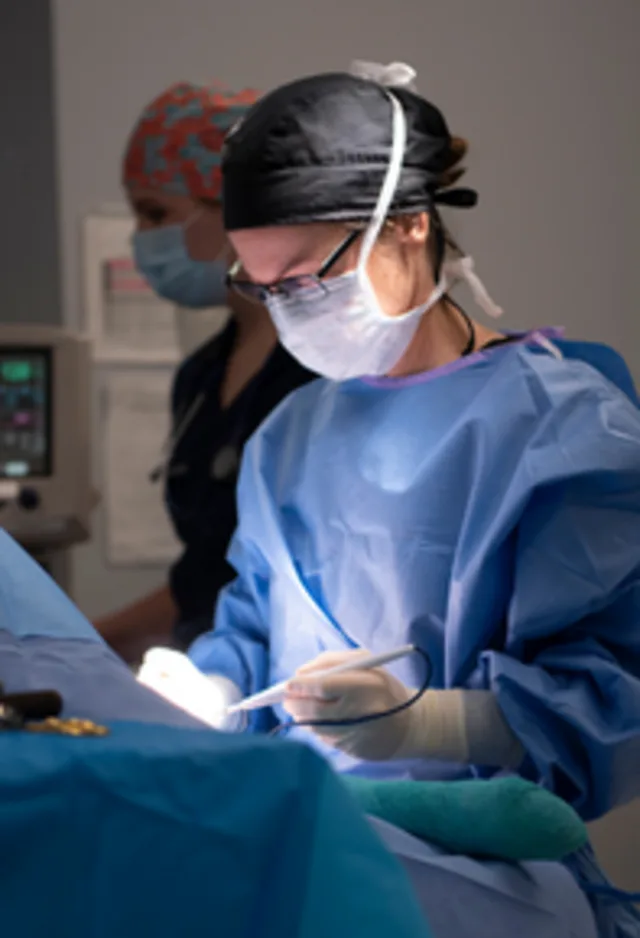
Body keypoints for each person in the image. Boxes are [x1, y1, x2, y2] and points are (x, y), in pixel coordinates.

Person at [141, 62, 640, 937]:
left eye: (307, 279)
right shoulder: (291, 436)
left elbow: (609, 703)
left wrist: (424, 727)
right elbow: (255, 628)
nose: (288, 310)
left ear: (410, 225)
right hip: (310, 834)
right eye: (263, 287)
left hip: (485, 874)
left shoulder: (564, 430)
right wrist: (209, 680)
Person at [95, 82, 315, 662]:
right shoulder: (199, 379)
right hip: (210, 673)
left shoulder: (321, 367)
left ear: (234, 204)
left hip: (303, 674)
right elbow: (203, 575)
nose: (142, 237)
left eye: (155, 213)